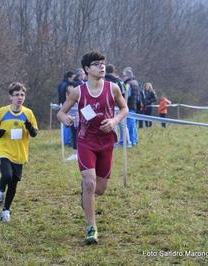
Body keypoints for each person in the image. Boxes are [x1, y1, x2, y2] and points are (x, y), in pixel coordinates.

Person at [57, 50, 128, 245]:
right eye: (97, 64)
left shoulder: (113, 88)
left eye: (103, 63)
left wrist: (114, 121)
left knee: (100, 189)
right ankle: (91, 228)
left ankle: (86, 193)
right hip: (86, 141)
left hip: (106, 142)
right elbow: (61, 113)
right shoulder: (78, 91)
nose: (102, 66)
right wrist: (67, 119)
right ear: (87, 69)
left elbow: (124, 109)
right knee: (90, 183)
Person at [0, 82, 38, 222]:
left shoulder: (28, 113)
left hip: (20, 153)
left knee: (14, 183)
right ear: (10, 97)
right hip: (4, 150)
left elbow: (34, 133)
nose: (20, 97)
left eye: (22, 95)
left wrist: (30, 128)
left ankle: (6, 211)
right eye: (16, 95)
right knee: (7, 176)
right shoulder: (3, 111)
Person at [104, 64, 132, 148]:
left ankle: (114, 144)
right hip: (119, 105)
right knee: (123, 125)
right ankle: (127, 143)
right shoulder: (119, 80)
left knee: (113, 124)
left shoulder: (104, 80)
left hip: (109, 105)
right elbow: (123, 93)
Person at [122, 68, 141, 146]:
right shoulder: (136, 83)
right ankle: (134, 141)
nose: (123, 77)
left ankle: (129, 141)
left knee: (128, 125)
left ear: (128, 76)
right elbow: (138, 97)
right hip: (134, 106)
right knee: (133, 125)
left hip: (128, 106)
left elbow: (127, 95)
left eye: (124, 76)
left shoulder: (128, 84)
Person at [66, 81, 79, 161]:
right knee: (74, 136)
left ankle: (76, 153)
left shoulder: (76, 96)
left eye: (71, 86)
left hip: (77, 119)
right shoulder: (69, 96)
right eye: (69, 86)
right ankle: (75, 153)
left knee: (76, 136)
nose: (69, 87)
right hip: (71, 118)